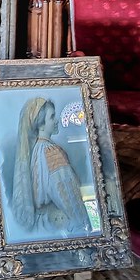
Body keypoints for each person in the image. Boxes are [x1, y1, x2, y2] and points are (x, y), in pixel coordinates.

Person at [10, 96, 92, 238]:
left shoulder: (37, 149)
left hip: (46, 223)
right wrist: (84, 225)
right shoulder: (50, 151)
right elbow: (68, 195)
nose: (56, 120)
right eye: (52, 117)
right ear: (41, 124)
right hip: (58, 226)